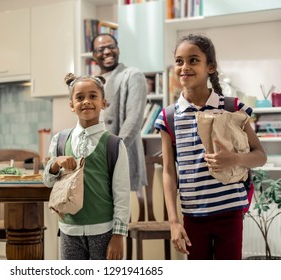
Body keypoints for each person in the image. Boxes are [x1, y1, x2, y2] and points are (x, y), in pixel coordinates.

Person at [154, 34, 267, 260]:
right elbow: (168, 171)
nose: (185, 67)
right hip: (193, 215)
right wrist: (174, 222)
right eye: (179, 61)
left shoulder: (232, 107)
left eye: (193, 60)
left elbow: (260, 156)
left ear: (211, 67)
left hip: (230, 212)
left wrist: (234, 159)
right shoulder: (167, 116)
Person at [43, 73, 130, 260]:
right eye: (80, 97)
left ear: (104, 103)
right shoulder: (60, 140)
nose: (86, 102)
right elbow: (48, 182)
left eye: (93, 96)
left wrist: (118, 235)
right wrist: (56, 163)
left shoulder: (114, 145)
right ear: (71, 105)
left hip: (104, 230)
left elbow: (121, 194)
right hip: (68, 230)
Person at [91, 33, 147, 192]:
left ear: (118, 50)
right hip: (94, 158)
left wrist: (114, 153)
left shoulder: (132, 75)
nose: (107, 52)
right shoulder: (92, 81)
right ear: (94, 55)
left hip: (120, 155)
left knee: (122, 213)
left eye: (111, 47)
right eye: (101, 49)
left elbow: (134, 119)